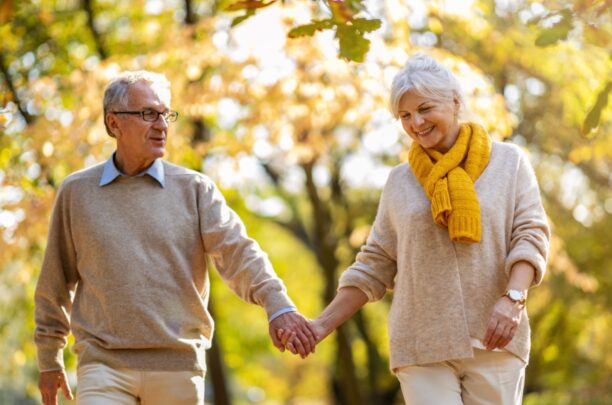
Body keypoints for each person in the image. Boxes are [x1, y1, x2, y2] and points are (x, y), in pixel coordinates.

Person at [34, 70, 317, 405]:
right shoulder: (77, 192)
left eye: (166, 114)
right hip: (102, 364)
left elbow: (239, 253)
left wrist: (277, 305)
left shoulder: (195, 189)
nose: (162, 125)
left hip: (178, 366)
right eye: (148, 114)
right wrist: (49, 358)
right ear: (113, 123)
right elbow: (55, 280)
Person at [282, 54, 550, 404]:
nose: (416, 123)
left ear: (455, 102)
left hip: (495, 337)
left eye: (425, 109)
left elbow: (531, 233)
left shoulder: (508, 162)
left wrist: (513, 299)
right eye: (405, 116)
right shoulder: (400, 181)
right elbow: (375, 262)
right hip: (421, 343)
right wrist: (321, 325)